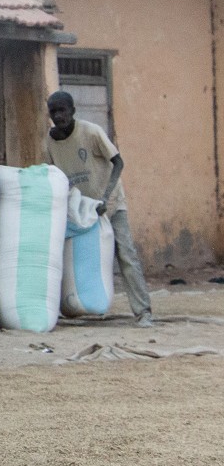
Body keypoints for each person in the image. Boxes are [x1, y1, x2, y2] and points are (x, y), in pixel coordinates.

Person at [45, 91, 154, 327]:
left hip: (110, 204)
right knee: (65, 255)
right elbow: (54, 175)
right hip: (82, 210)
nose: (58, 116)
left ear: (73, 111)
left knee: (125, 254)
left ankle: (143, 312)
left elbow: (118, 162)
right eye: (53, 111)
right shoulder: (50, 142)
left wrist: (106, 197)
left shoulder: (91, 132)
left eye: (62, 110)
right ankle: (70, 306)